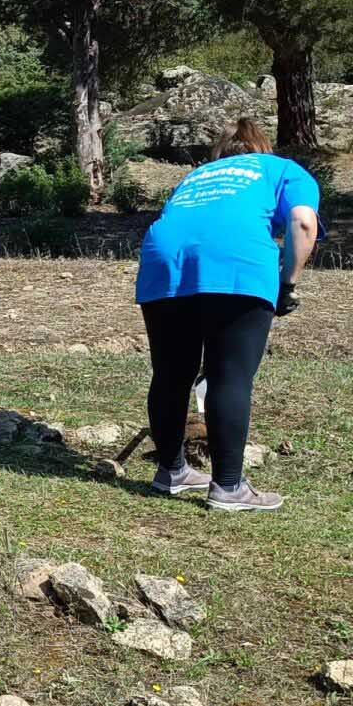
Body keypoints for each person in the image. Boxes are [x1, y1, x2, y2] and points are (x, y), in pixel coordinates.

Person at [134, 118, 318, 511]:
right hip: (236, 261)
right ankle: (229, 487)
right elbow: (303, 222)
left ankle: (171, 471)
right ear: (262, 148)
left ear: (221, 153)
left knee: (171, 372)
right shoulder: (282, 169)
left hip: (164, 262)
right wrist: (287, 285)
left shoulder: (195, 177)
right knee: (229, 375)